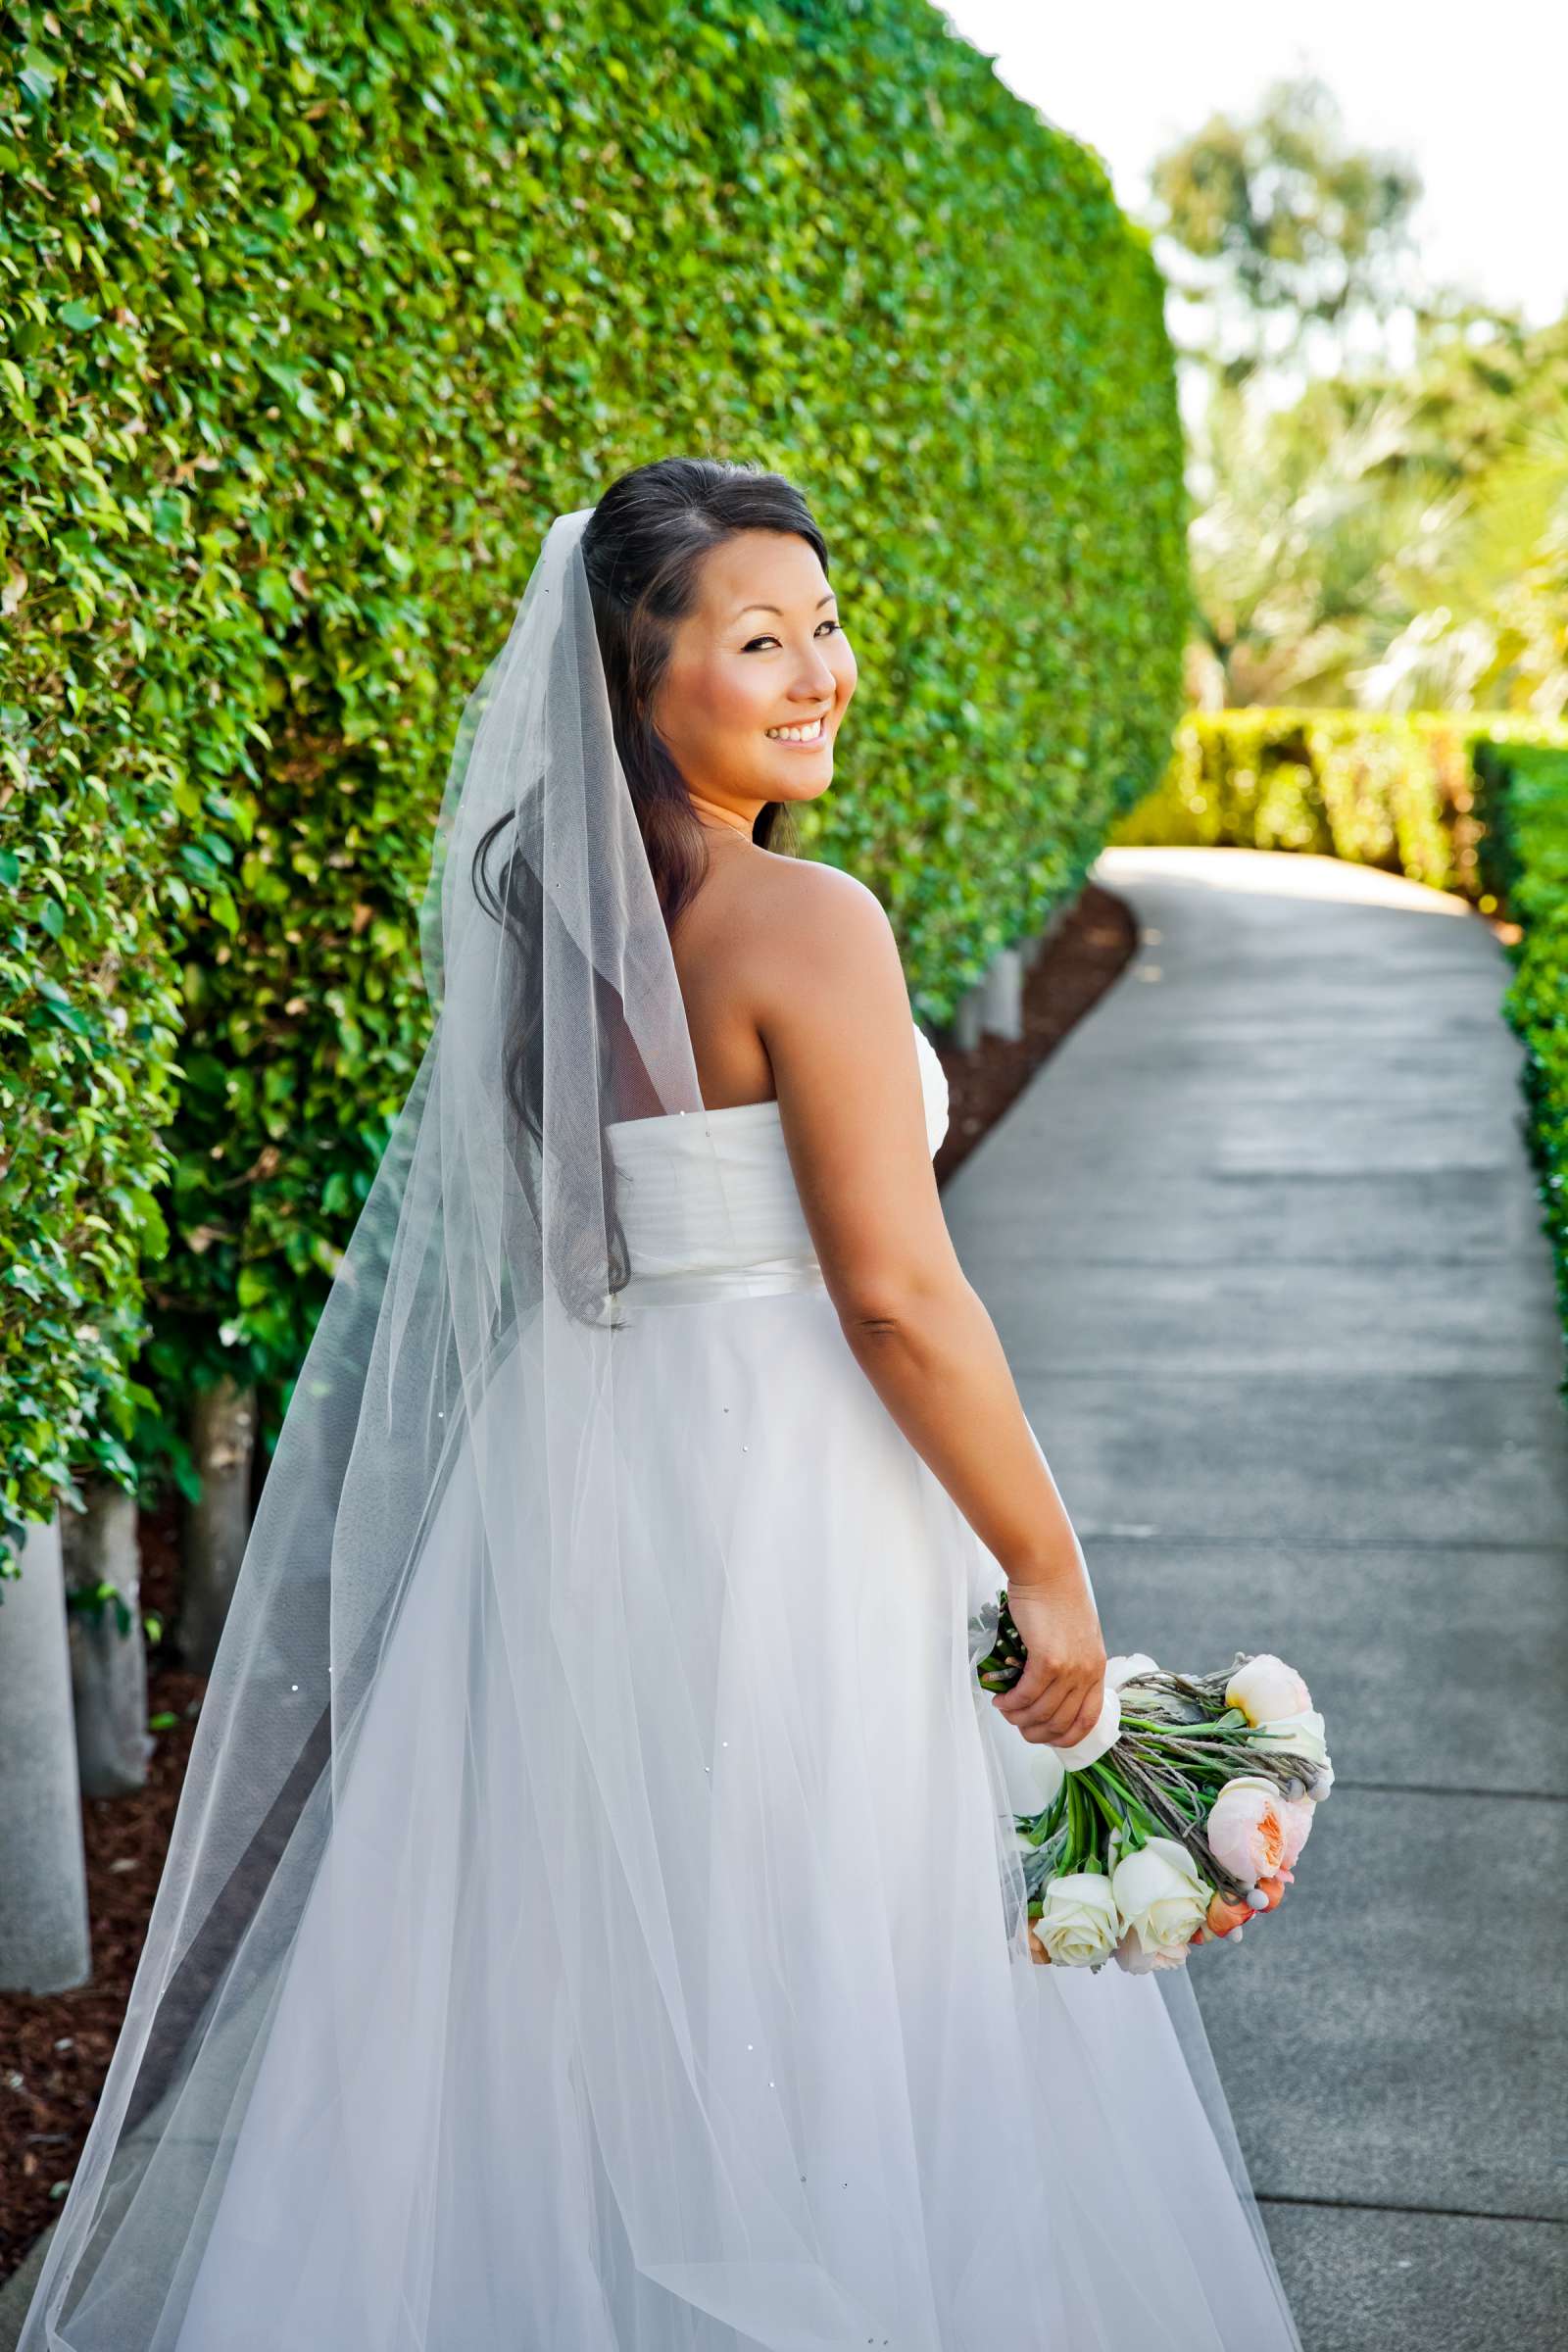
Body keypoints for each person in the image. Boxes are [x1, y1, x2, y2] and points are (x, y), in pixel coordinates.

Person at [20, 458, 1303, 2349]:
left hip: (585, 1460)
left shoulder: (561, 907)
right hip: (791, 1473)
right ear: (639, 681)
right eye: (760, 640)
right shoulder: (810, 920)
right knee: (824, 1931)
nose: (819, 676)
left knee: (574, 1950)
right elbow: (895, 1293)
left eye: (828, 625)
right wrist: (1049, 1569)